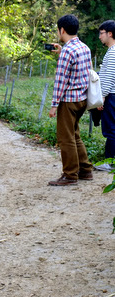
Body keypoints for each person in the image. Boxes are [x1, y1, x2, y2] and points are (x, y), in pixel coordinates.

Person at [48, 14, 93, 186]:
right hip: (82, 98)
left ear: (62, 30)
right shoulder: (84, 48)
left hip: (68, 101)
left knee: (65, 138)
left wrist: (54, 105)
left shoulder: (68, 51)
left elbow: (61, 80)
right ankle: (85, 169)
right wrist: (62, 52)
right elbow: (85, 71)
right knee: (75, 135)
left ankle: (70, 175)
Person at [95, 20, 115, 171]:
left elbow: (109, 76)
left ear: (110, 33)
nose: (100, 36)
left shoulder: (113, 52)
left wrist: (102, 96)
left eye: (101, 33)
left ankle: (110, 162)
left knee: (111, 129)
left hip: (112, 96)